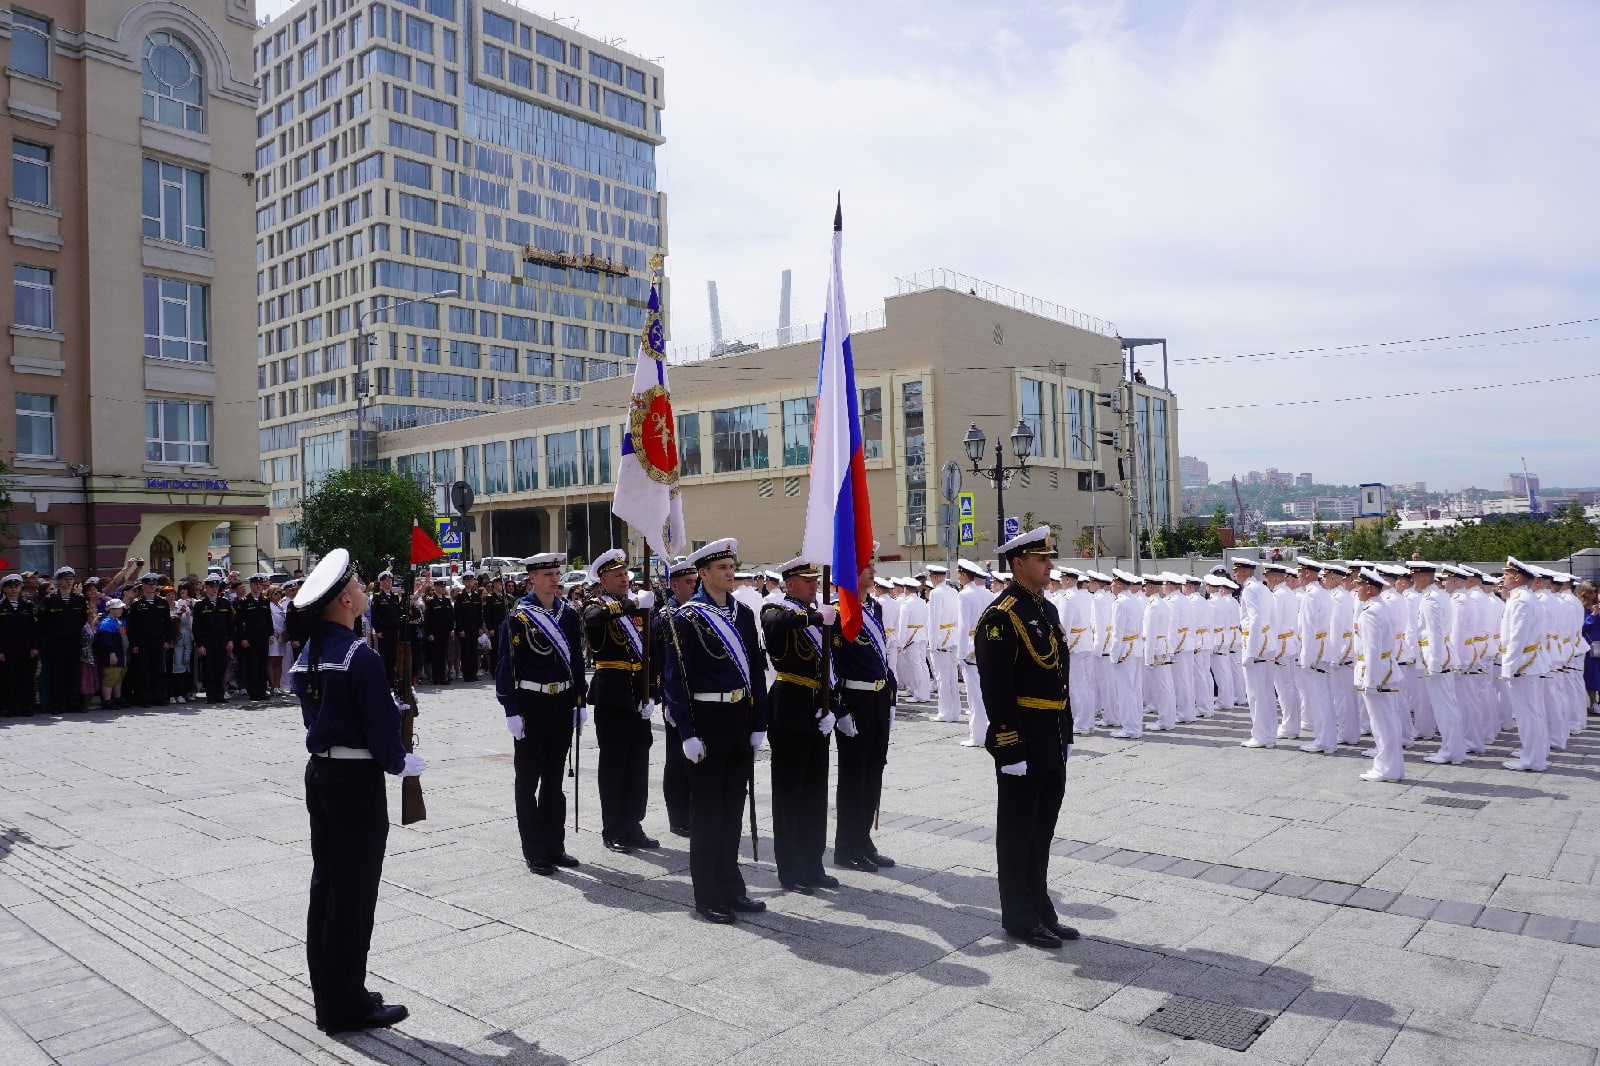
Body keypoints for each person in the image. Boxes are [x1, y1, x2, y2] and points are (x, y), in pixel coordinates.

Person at [290, 548, 423, 1036]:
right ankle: (345, 1006)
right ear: (346, 599)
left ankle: (333, 989)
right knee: (353, 893)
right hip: (355, 781)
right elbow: (378, 724)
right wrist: (400, 761)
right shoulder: (359, 656)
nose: (366, 591)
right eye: (361, 586)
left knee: (326, 886)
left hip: (322, 774)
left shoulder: (310, 653)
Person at [974, 526, 1078, 949]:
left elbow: (1060, 676)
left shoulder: (1046, 611)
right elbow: (995, 688)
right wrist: (1009, 742)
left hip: (1050, 735)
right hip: (1023, 739)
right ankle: (1019, 916)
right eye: (1042, 559)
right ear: (1019, 565)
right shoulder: (1001, 617)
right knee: (1018, 831)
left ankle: (1040, 907)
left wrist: (1066, 730)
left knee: (1042, 828)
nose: (1050, 565)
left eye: (1049, 558)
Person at [662, 538, 770, 923]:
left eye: (731, 566)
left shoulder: (743, 614)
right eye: (722, 568)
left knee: (732, 811)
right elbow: (675, 682)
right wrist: (687, 733)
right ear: (703, 574)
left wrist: (759, 723)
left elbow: (756, 670)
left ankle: (732, 887)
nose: (730, 573)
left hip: (739, 719)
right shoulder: (687, 618)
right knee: (707, 814)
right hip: (706, 722)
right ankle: (707, 895)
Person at [495, 553, 586, 876]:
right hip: (531, 704)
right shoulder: (519, 617)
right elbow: (506, 665)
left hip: (561, 701)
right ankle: (534, 851)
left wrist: (580, 702)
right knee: (528, 781)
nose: (554, 579)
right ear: (532, 578)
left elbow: (576, 659)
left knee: (554, 779)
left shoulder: (568, 616)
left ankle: (554, 845)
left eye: (556, 573)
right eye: (547, 574)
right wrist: (511, 709)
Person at [761, 557, 839, 895]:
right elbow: (775, 623)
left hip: (817, 709)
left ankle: (813, 863)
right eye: (806, 581)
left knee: (814, 793)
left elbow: (829, 667)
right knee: (789, 794)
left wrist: (834, 707)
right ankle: (790, 868)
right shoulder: (775, 607)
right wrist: (816, 616)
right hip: (789, 706)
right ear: (789, 584)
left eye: (814, 580)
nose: (814, 585)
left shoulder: (820, 616)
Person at [582, 548, 657, 854]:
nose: (624, 579)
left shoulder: (637, 607)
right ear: (603, 580)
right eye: (617, 575)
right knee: (614, 765)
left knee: (638, 763)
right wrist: (631, 604)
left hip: (637, 693)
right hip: (612, 694)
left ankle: (633, 824)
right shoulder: (596, 605)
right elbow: (594, 619)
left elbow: (648, 652)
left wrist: (651, 691)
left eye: (626, 574)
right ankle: (613, 827)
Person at [829, 545, 897, 874]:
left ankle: (864, 839)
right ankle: (846, 846)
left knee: (874, 772)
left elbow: (881, 657)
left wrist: (891, 692)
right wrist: (839, 709)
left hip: (878, 699)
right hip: (854, 702)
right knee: (854, 776)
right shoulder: (841, 610)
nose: (872, 571)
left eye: (872, 565)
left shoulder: (876, 607)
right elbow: (833, 664)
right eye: (866, 567)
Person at [654, 558, 698, 836]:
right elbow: (660, 660)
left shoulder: (695, 612)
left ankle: (693, 810)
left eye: (695, 582)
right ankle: (678, 816)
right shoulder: (665, 616)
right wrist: (666, 697)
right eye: (687, 582)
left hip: (698, 694)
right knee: (677, 758)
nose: (693, 587)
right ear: (673, 585)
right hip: (675, 695)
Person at [1353, 567, 1406, 783]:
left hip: (1377, 673)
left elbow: (1372, 650)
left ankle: (1387, 768)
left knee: (1382, 724)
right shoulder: (1380, 608)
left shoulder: (1372, 612)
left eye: (1358, 586)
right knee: (1387, 722)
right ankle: (1390, 767)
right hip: (1385, 670)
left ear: (1368, 589)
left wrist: (1371, 682)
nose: (1356, 589)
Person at [38, 566, 88, 714]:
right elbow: (42, 622)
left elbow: (82, 620)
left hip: (73, 641)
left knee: (73, 673)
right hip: (56, 642)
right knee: (57, 674)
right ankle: (57, 705)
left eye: (71, 579)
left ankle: (73, 703)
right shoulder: (49, 600)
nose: (69, 582)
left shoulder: (79, 599)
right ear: (59, 581)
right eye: (66, 579)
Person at [959, 560, 998, 745]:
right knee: (988, 692)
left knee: (974, 695)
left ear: (965, 575)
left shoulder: (965, 595)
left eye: (960, 573)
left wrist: (960, 653)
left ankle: (978, 736)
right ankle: (990, 731)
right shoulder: (988, 594)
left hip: (971, 646)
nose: (959, 577)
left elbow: (963, 626)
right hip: (987, 644)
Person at [924, 564, 962, 722]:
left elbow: (934, 620)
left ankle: (945, 712)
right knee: (952, 676)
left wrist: (932, 643)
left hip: (940, 639)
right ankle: (955, 710)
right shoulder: (953, 591)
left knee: (941, 678)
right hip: (953, 636)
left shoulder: (936, 593)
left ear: (934, 577)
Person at [1, 573, 40, 716]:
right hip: (7, 648)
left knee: (26, 678)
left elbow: (35, 628)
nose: (14, 589)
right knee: (8, 678)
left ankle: (26, 706)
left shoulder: (27, 605)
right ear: (4, 589)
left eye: (16, 586)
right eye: (10, 587)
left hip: (26, 648)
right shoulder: (1, 606)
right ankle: (10, 707)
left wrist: (35, 646)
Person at [192, 575, 235, 703]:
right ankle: (210, 695)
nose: (214, 589)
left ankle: (219, 694)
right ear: (206, 588)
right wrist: (199, 644)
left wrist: (231, 640)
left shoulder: (224, 603)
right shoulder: (200, 605)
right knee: (208, 669)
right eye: (211, 587)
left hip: (221, 640)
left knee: (221, 668)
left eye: (216, 586)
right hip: (207, 641)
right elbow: (196, 627)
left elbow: (230, 624)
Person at [370, 572, 404, 685]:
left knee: (393, 656)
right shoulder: (377, 597)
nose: (389, 582)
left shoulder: (394, 597)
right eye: (387, 580)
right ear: (382, 582)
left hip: (394, 630)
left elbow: (399, 613)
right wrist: (378, 630)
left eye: (390, 580)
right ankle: (383, 679)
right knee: (384, 655)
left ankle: (391, 679)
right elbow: (374, 616)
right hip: (383, 631)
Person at [94, 599, 128, 709]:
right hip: (111, 654)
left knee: (118, 676)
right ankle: (107, 700)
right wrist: (111, 653)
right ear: (112, 610)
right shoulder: (106, 623)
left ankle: (117, 698)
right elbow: (105, 640)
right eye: (119, 608)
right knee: (110, 676)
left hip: (120, 653)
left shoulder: (119, 621)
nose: (121, 609)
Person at [454, 572, 485, 682]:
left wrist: (480, 627)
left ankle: (473, 672)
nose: (469, 583)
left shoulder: (476, 596)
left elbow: (479, 613)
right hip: (465, 628)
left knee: (473, 650)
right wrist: (460, 629)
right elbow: (457, 614)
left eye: (471, 581)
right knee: (465, 651)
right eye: (467, 581)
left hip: (474, 628)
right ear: (463, 582)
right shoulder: (460, 597)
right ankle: (466, 673)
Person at [423, 579, 454, 685]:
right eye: (440, 586)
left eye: (443, 587)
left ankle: (443, 677)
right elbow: (428, 619)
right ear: (435, 587)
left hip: (445, 631)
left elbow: (450, 617)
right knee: (435, 655)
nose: (442, 588)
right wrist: (429, 633)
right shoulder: (431, 601)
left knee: (443, 655)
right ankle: (435, 678)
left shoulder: (447, 600)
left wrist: (451, 629)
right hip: (435, 632)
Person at [1580, 580, 1600, 712]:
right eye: (1590, 592)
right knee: (1592, 675)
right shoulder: (1580, 608)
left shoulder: (1597, 605)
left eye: (1595, 592)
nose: (1592, 595)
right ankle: (1593, 703)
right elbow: (1581, 628)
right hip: (1590, 646)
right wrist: (1593, 616)